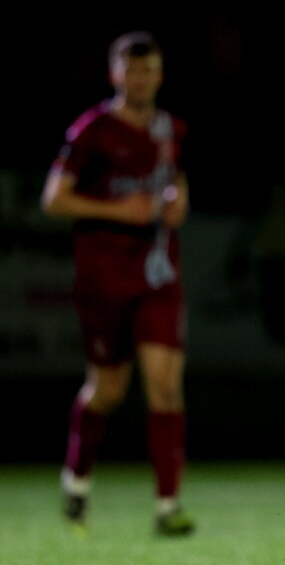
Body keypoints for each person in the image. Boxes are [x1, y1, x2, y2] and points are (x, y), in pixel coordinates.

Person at [41, 31, 194, 536]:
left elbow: (178, 191)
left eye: (149, 70)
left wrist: (175, 205)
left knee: (166, 386)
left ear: (160, 75)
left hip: (157, 276)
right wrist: (118, 211)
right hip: (104, 278)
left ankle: (168, 505)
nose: (141, 79)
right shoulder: (92, 130)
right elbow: (54, 200)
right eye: (131, 70)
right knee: (106, 389)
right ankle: (76, 483)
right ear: (115, 75)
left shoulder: (169, 129)